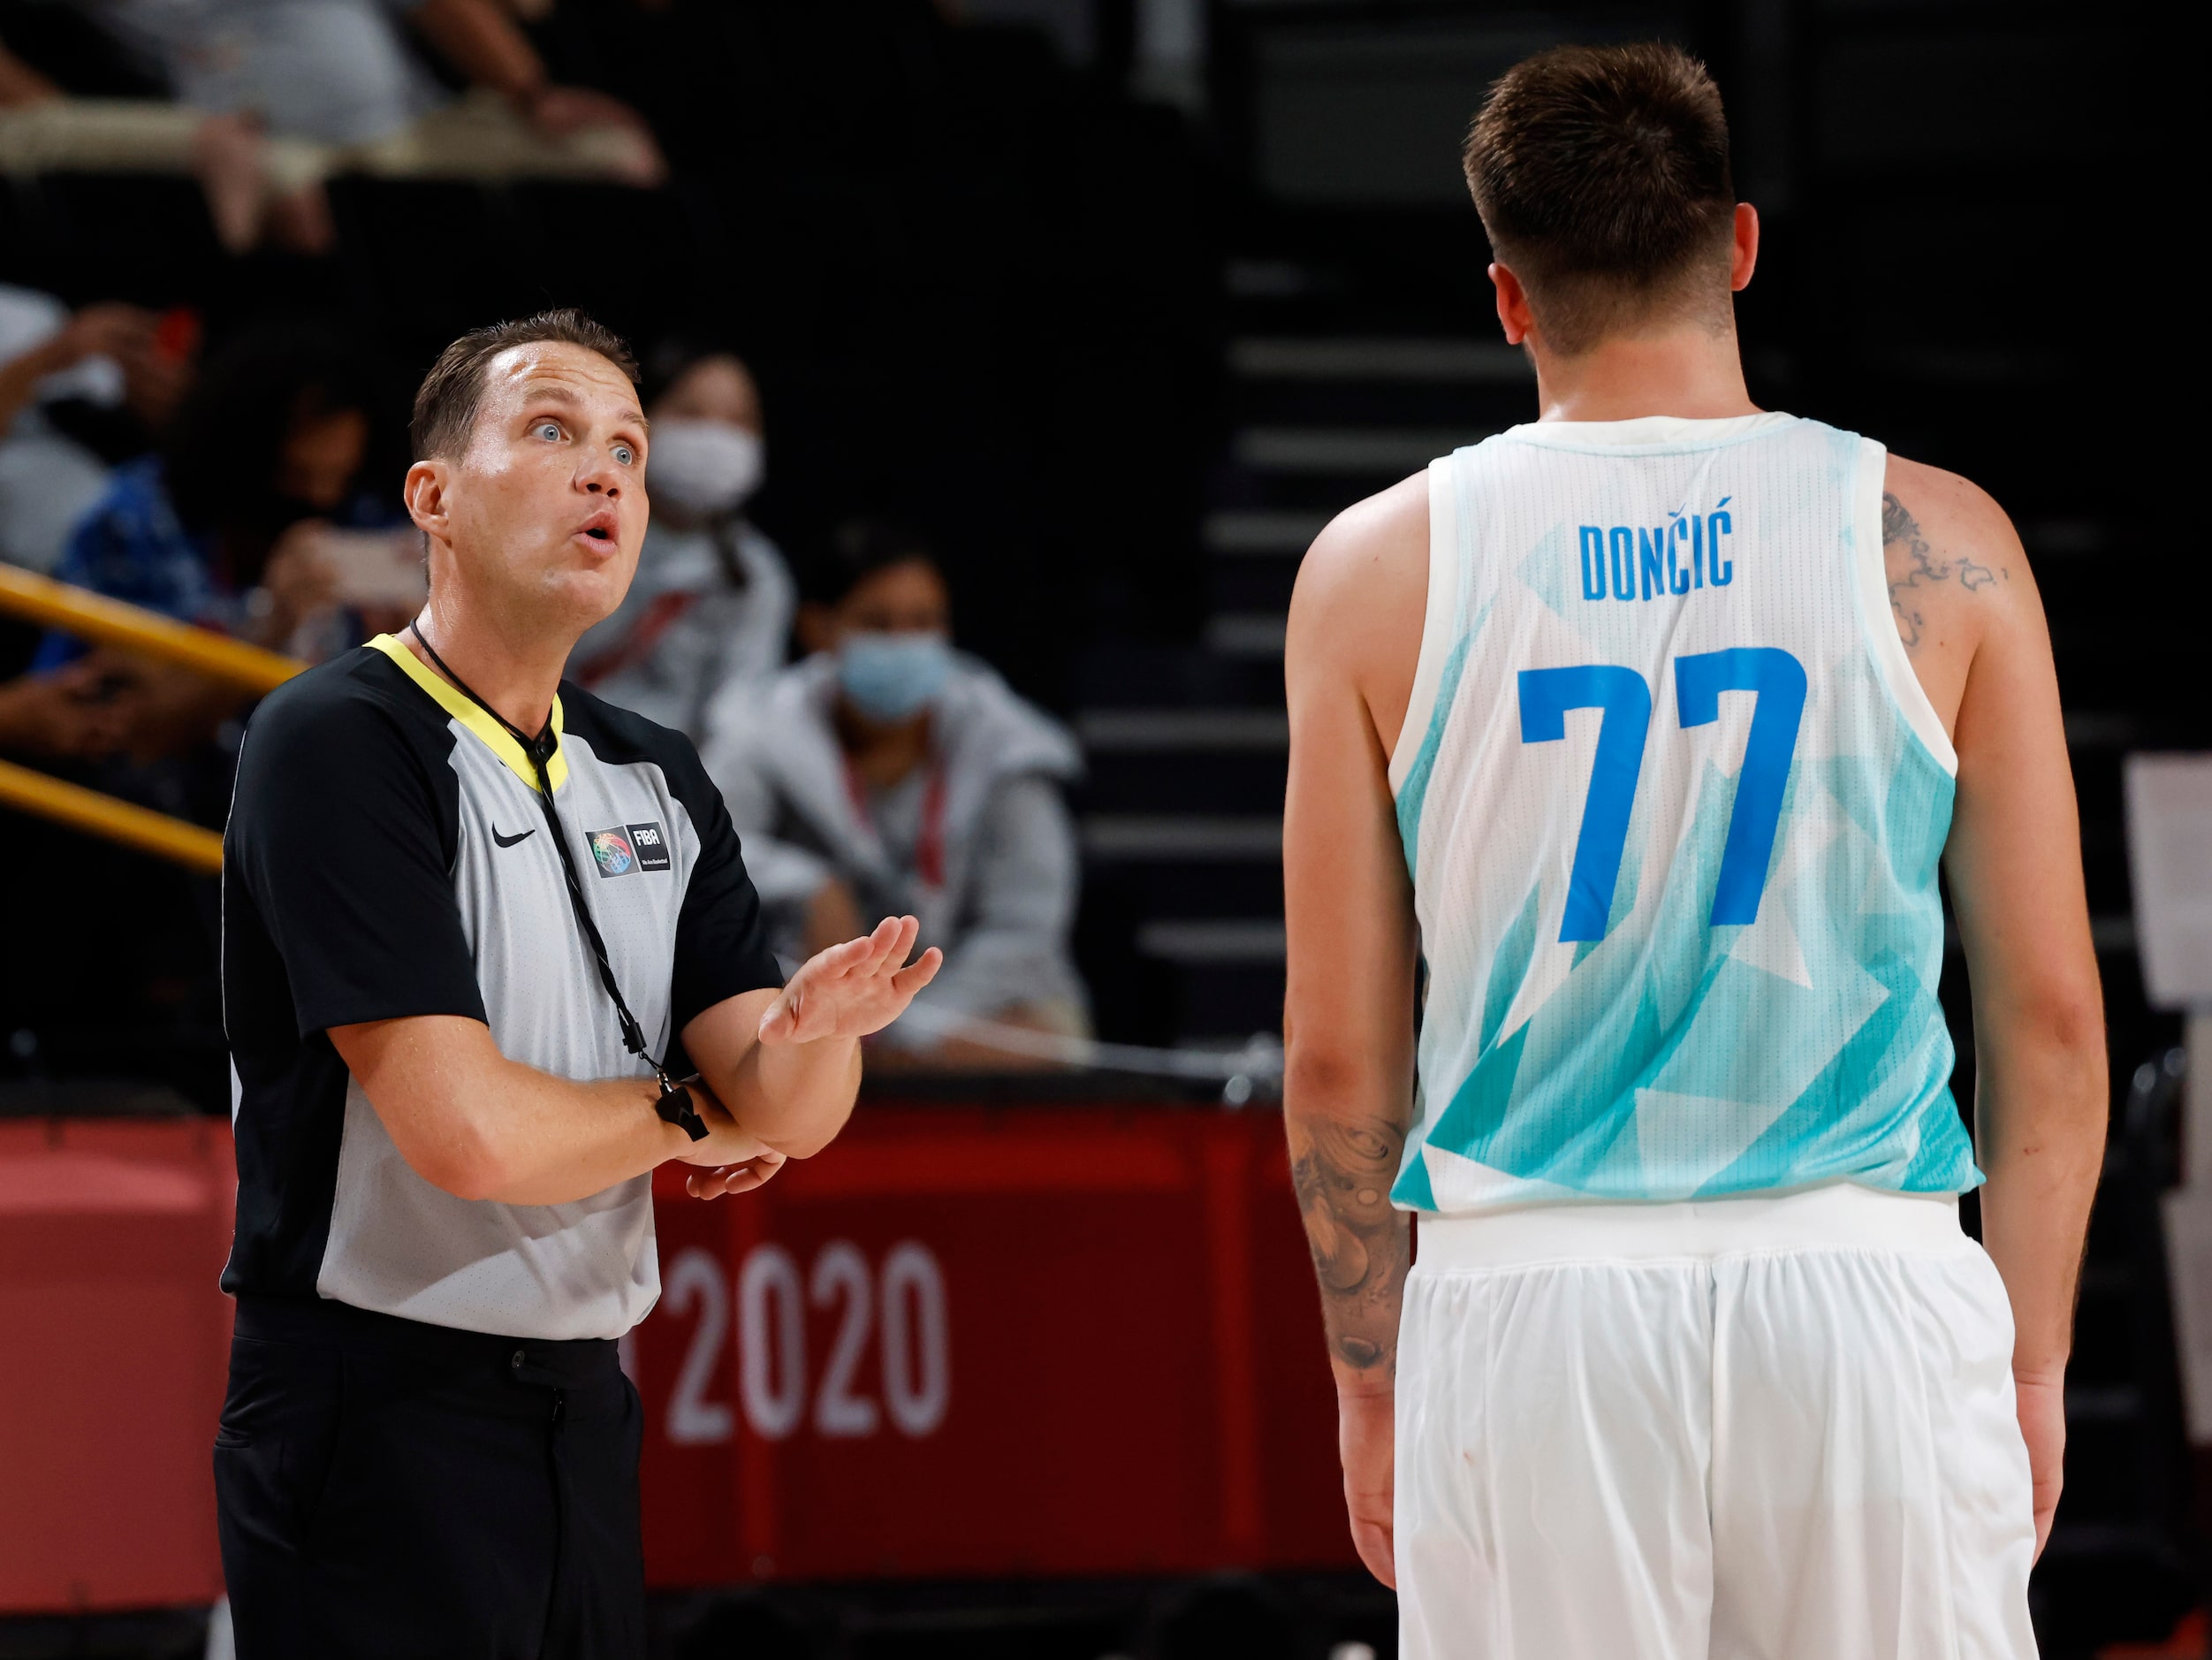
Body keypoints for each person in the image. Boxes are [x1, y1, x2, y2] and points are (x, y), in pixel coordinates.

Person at [1281, 43, 2104, 1660]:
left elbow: (1333, 1052)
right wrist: (2025, 1362)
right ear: (1735, 244)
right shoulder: (1942, 542)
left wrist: (1368, 1380)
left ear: (1506, 299)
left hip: (1529, 1300)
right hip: (1861, 1280)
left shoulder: (1372, 567)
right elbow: (2053, 1022)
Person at [215, 309, 939, 1655]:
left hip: (582, 1404)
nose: (605, 472)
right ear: (431, 496)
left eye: (627, 449)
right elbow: (469, 1134)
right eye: (552, 433)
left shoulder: (657, 768)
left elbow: (788, 1096)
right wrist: (701, 1114)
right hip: (369, 1407)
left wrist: (818, 1038)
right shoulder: (333, 740)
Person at [701, 519, 1088, 1066]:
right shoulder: (759, 726)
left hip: (970, 1003)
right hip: (808, 999)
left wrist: (906, 1027)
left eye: (924, 622)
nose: (906, 643)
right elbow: (703, 847)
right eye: (879, 624)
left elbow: (1024, 930)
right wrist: (809, 886)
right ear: (820, 628)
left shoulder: (1005, 744)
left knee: (1036, 1041)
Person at [28, 323, 389, 760]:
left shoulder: (359, 522)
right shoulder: (135, 523)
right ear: (244, 454)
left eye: (337, 480)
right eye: (297, 478)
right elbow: (127, 730)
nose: (320, 499)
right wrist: (272, 626)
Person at [567, 342, 794, 740]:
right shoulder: (567, 527)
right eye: (692, 413)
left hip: (671, 786)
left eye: (740, 421)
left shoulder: (755, 574)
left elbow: (737, 719)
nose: (717, 438)